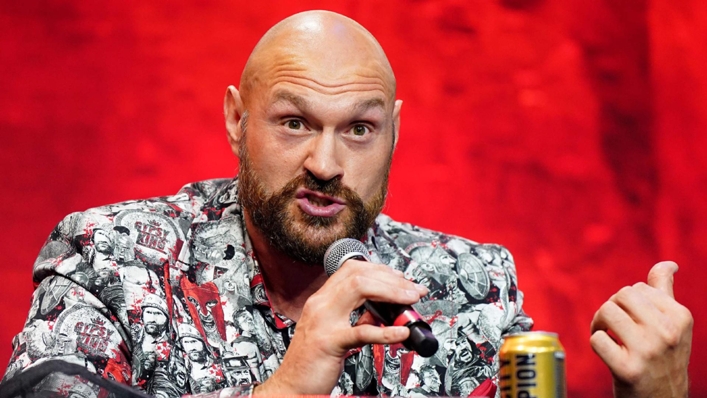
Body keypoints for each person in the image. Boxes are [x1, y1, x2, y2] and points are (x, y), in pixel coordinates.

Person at [1, 10, 692, 398]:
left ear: (393, 131)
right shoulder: (110, 258)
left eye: (358, 129)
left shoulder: (470, 285)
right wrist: (292, 387)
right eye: (294, 122)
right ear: (237, 120)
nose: (326, 166)